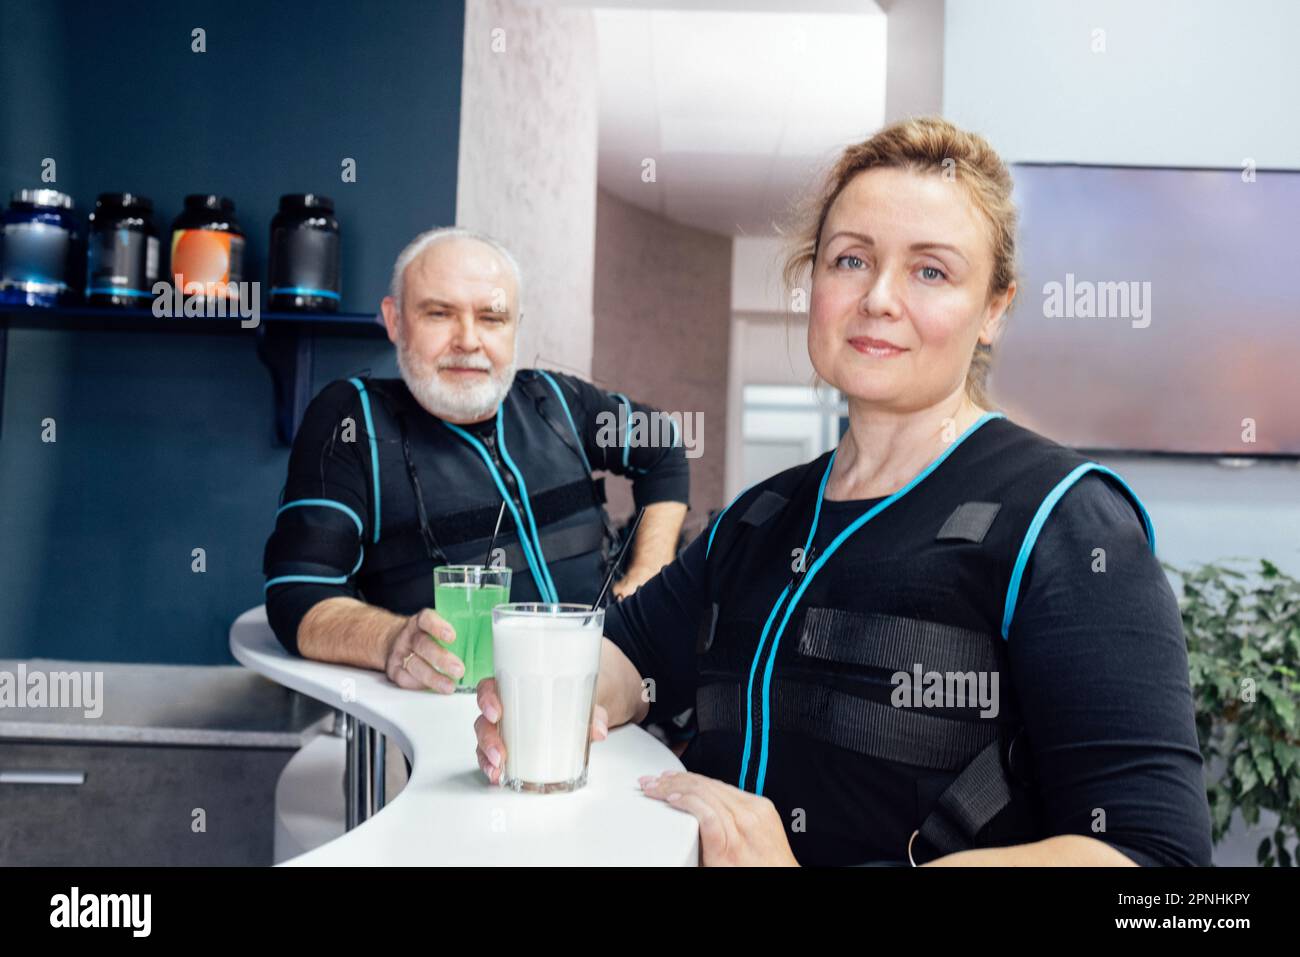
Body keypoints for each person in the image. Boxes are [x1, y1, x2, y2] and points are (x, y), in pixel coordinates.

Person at [474, 118, 1214, 867]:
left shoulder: (1064, 520)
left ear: (993, 309)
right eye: (851, 259)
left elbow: (1155, 859)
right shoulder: (761, 517)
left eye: (931, 271)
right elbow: (629, 660)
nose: (879, 299)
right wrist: (551, 698)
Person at [263, 228, 689, 692]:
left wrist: (647, 574)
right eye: (439, 313)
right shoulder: (353, 419)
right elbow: (299, 595)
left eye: (491, 318)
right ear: (395, 320)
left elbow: (664, 445)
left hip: (612, 689)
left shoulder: (557, 401)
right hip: (459, 714)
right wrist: (392, 641)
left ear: (515, 327)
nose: (468, 340)